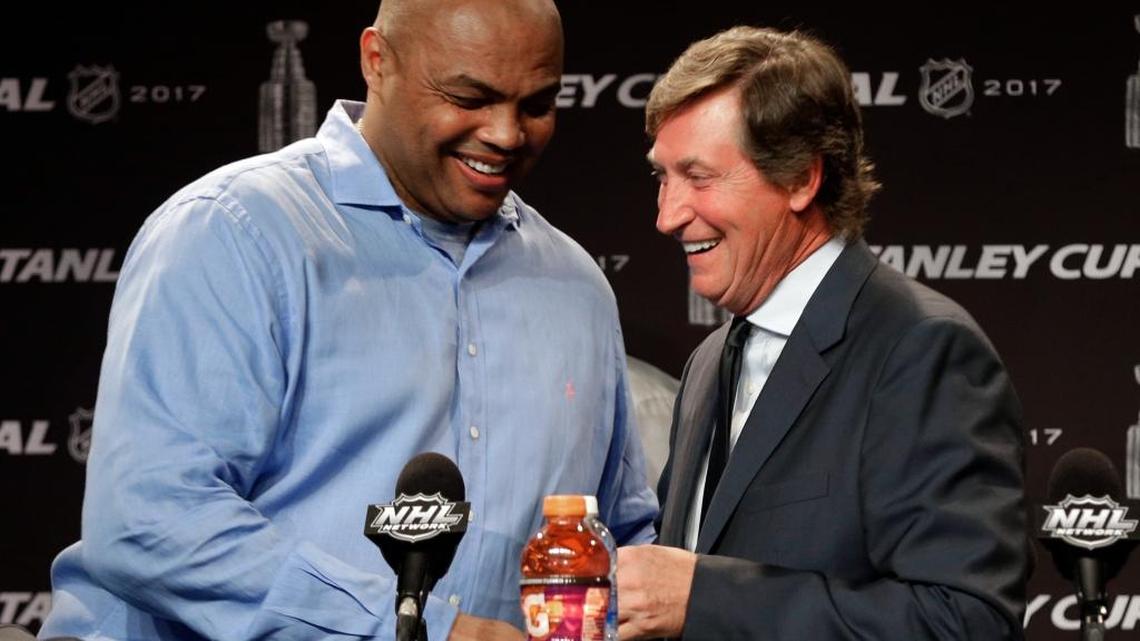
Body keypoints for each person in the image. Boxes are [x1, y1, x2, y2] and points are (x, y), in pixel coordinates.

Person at [39, 1, 657, 639]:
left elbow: (622, 539)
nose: (506, 133)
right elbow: (151, 518)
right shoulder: (234, 232)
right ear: (377, 61)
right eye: (469, 97)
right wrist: (421, 630)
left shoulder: (575, 285)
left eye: (537, 105)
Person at [616, 26, 1028, 640]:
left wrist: (703, 596)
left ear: (801, 181)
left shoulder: (920, 351)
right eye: (662, 177)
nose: (667, 215)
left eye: (698, 177)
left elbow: (964, 621)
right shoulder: (710, 362)